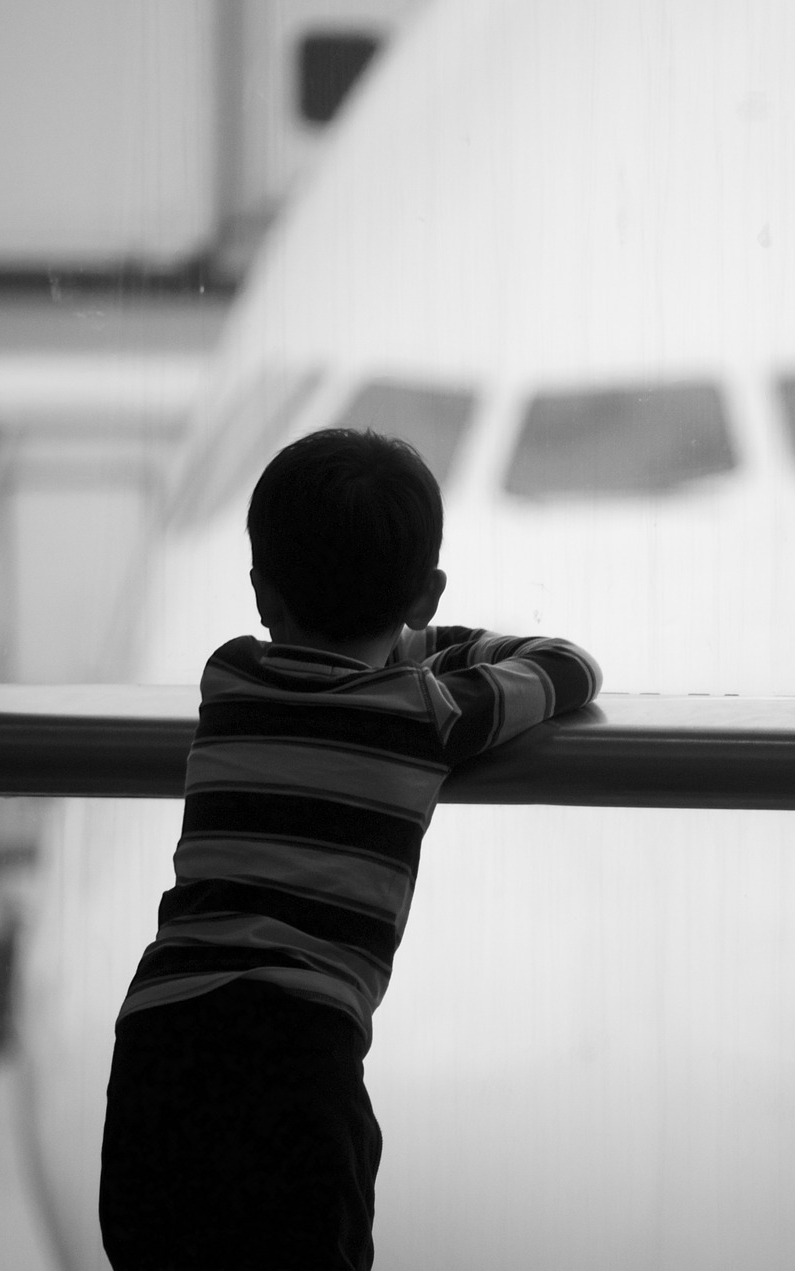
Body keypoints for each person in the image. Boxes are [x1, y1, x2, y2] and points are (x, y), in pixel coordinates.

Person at [98, 428, 601, 1271]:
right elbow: (565, 667)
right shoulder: (429, 712)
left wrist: (397, 630)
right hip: (301, 1054)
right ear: (425, 596)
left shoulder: (229, 677)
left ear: (262, 591)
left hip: (162, 1037)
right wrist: (422, 636)